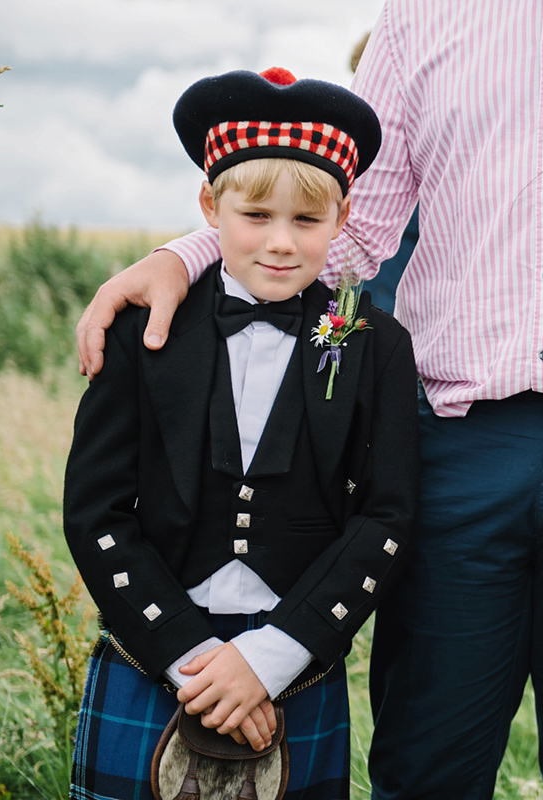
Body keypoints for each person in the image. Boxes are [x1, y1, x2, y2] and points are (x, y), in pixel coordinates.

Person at [72, 3, 543, 798]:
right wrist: (187, 256)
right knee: (428, 761)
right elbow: (351, 226)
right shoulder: (419, 17)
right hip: (457, 445)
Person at [64, 67, 419, 799]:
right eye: (256, 217)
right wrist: (189, 653)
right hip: (151, 647)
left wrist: (272, 656)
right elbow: (95, 511)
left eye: (307, 221)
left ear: (344, 216)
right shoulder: (142, 330)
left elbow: (386, 515)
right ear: (209, 206)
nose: (281, 243)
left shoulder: (372, 342)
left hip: (298, 656)